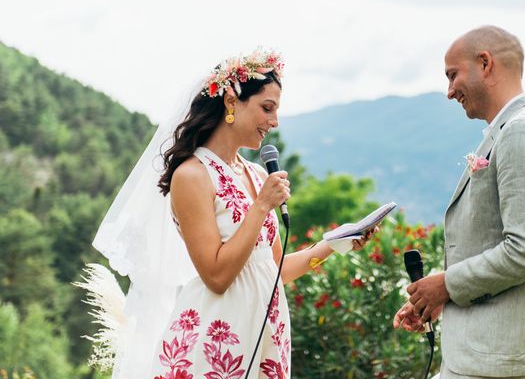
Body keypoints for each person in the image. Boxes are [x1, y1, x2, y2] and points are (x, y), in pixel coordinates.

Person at [91, 49, 375, 379]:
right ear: (230, 101)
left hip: (267, 330)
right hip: (219, 335)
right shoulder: (192, 175)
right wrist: (261, 208)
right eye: (266, 108)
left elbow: (276, 270)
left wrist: (336, 242)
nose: (275, 121)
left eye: (277, 110)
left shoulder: (255, 174)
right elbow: (216, 275)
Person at [393, 26, 525, 379]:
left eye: (453, 75)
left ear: (485, 63)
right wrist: (438, 297)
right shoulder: (513, 129)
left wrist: (446, 284)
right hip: (485, 356)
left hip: (499, 361)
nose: (449, 92)